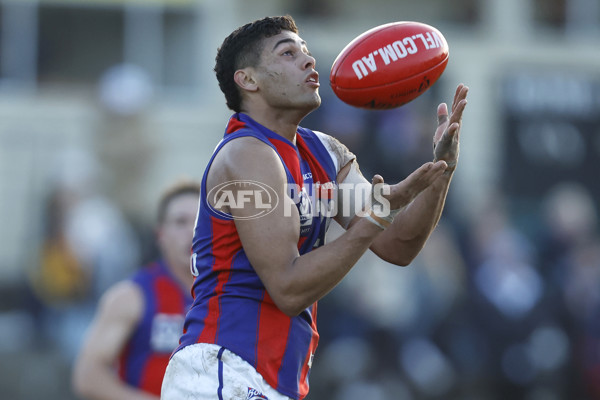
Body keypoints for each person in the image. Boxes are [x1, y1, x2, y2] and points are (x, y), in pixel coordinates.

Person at [161, 15, 468, 400]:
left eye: (306, 52)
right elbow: (288, 289)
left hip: (271, 379)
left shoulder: (324, 152)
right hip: (222, 370)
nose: (309, 61)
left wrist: (442, 171)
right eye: (288, 53)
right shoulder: (247, 152)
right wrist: (375, 217)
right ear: (249, 80)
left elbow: (399, 245)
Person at [72, 180, 200, 400]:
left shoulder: (229, 295)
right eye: (180, 222)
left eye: (199, 222)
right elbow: (88, 377)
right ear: (160, 234)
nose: (191, 232)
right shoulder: (131, 297)